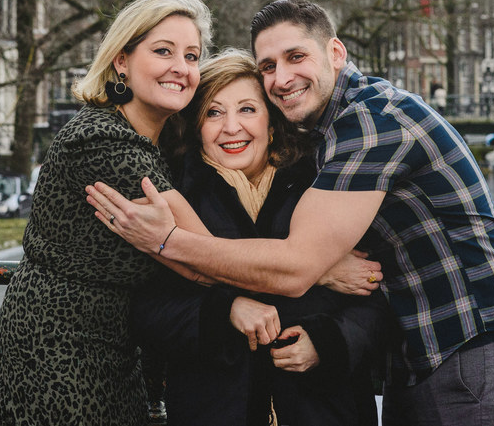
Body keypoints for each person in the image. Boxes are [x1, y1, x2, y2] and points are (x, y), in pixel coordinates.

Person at [88, 0, 494, 426]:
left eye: (295, 57)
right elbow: (157, 304)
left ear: (336, 52)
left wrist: (167, 241)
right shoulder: (317, 148)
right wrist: (238, 304)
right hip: (418, 351)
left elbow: (298, 268)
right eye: (268, 66)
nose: (282, 78)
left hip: (466, 341)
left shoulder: (368, 124)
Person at [0, 0, 216, 426]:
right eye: (163, 51)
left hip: (112, 354)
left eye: (191, 56)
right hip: (57, 359)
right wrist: (315, 269)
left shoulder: (155, 141)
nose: (181, 68)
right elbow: (205, 259)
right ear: (121, 60)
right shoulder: (102, 142)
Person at [132, 49, 394, 426]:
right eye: (214, 112)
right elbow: (147, 307)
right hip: (215, 407)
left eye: (247, 110)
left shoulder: (325, 188)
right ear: (196, 126)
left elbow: (376, 290)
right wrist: (227, 311)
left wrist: (328, 343)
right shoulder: (174, 197)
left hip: (324, 409)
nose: (232, 127)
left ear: (272, 123)